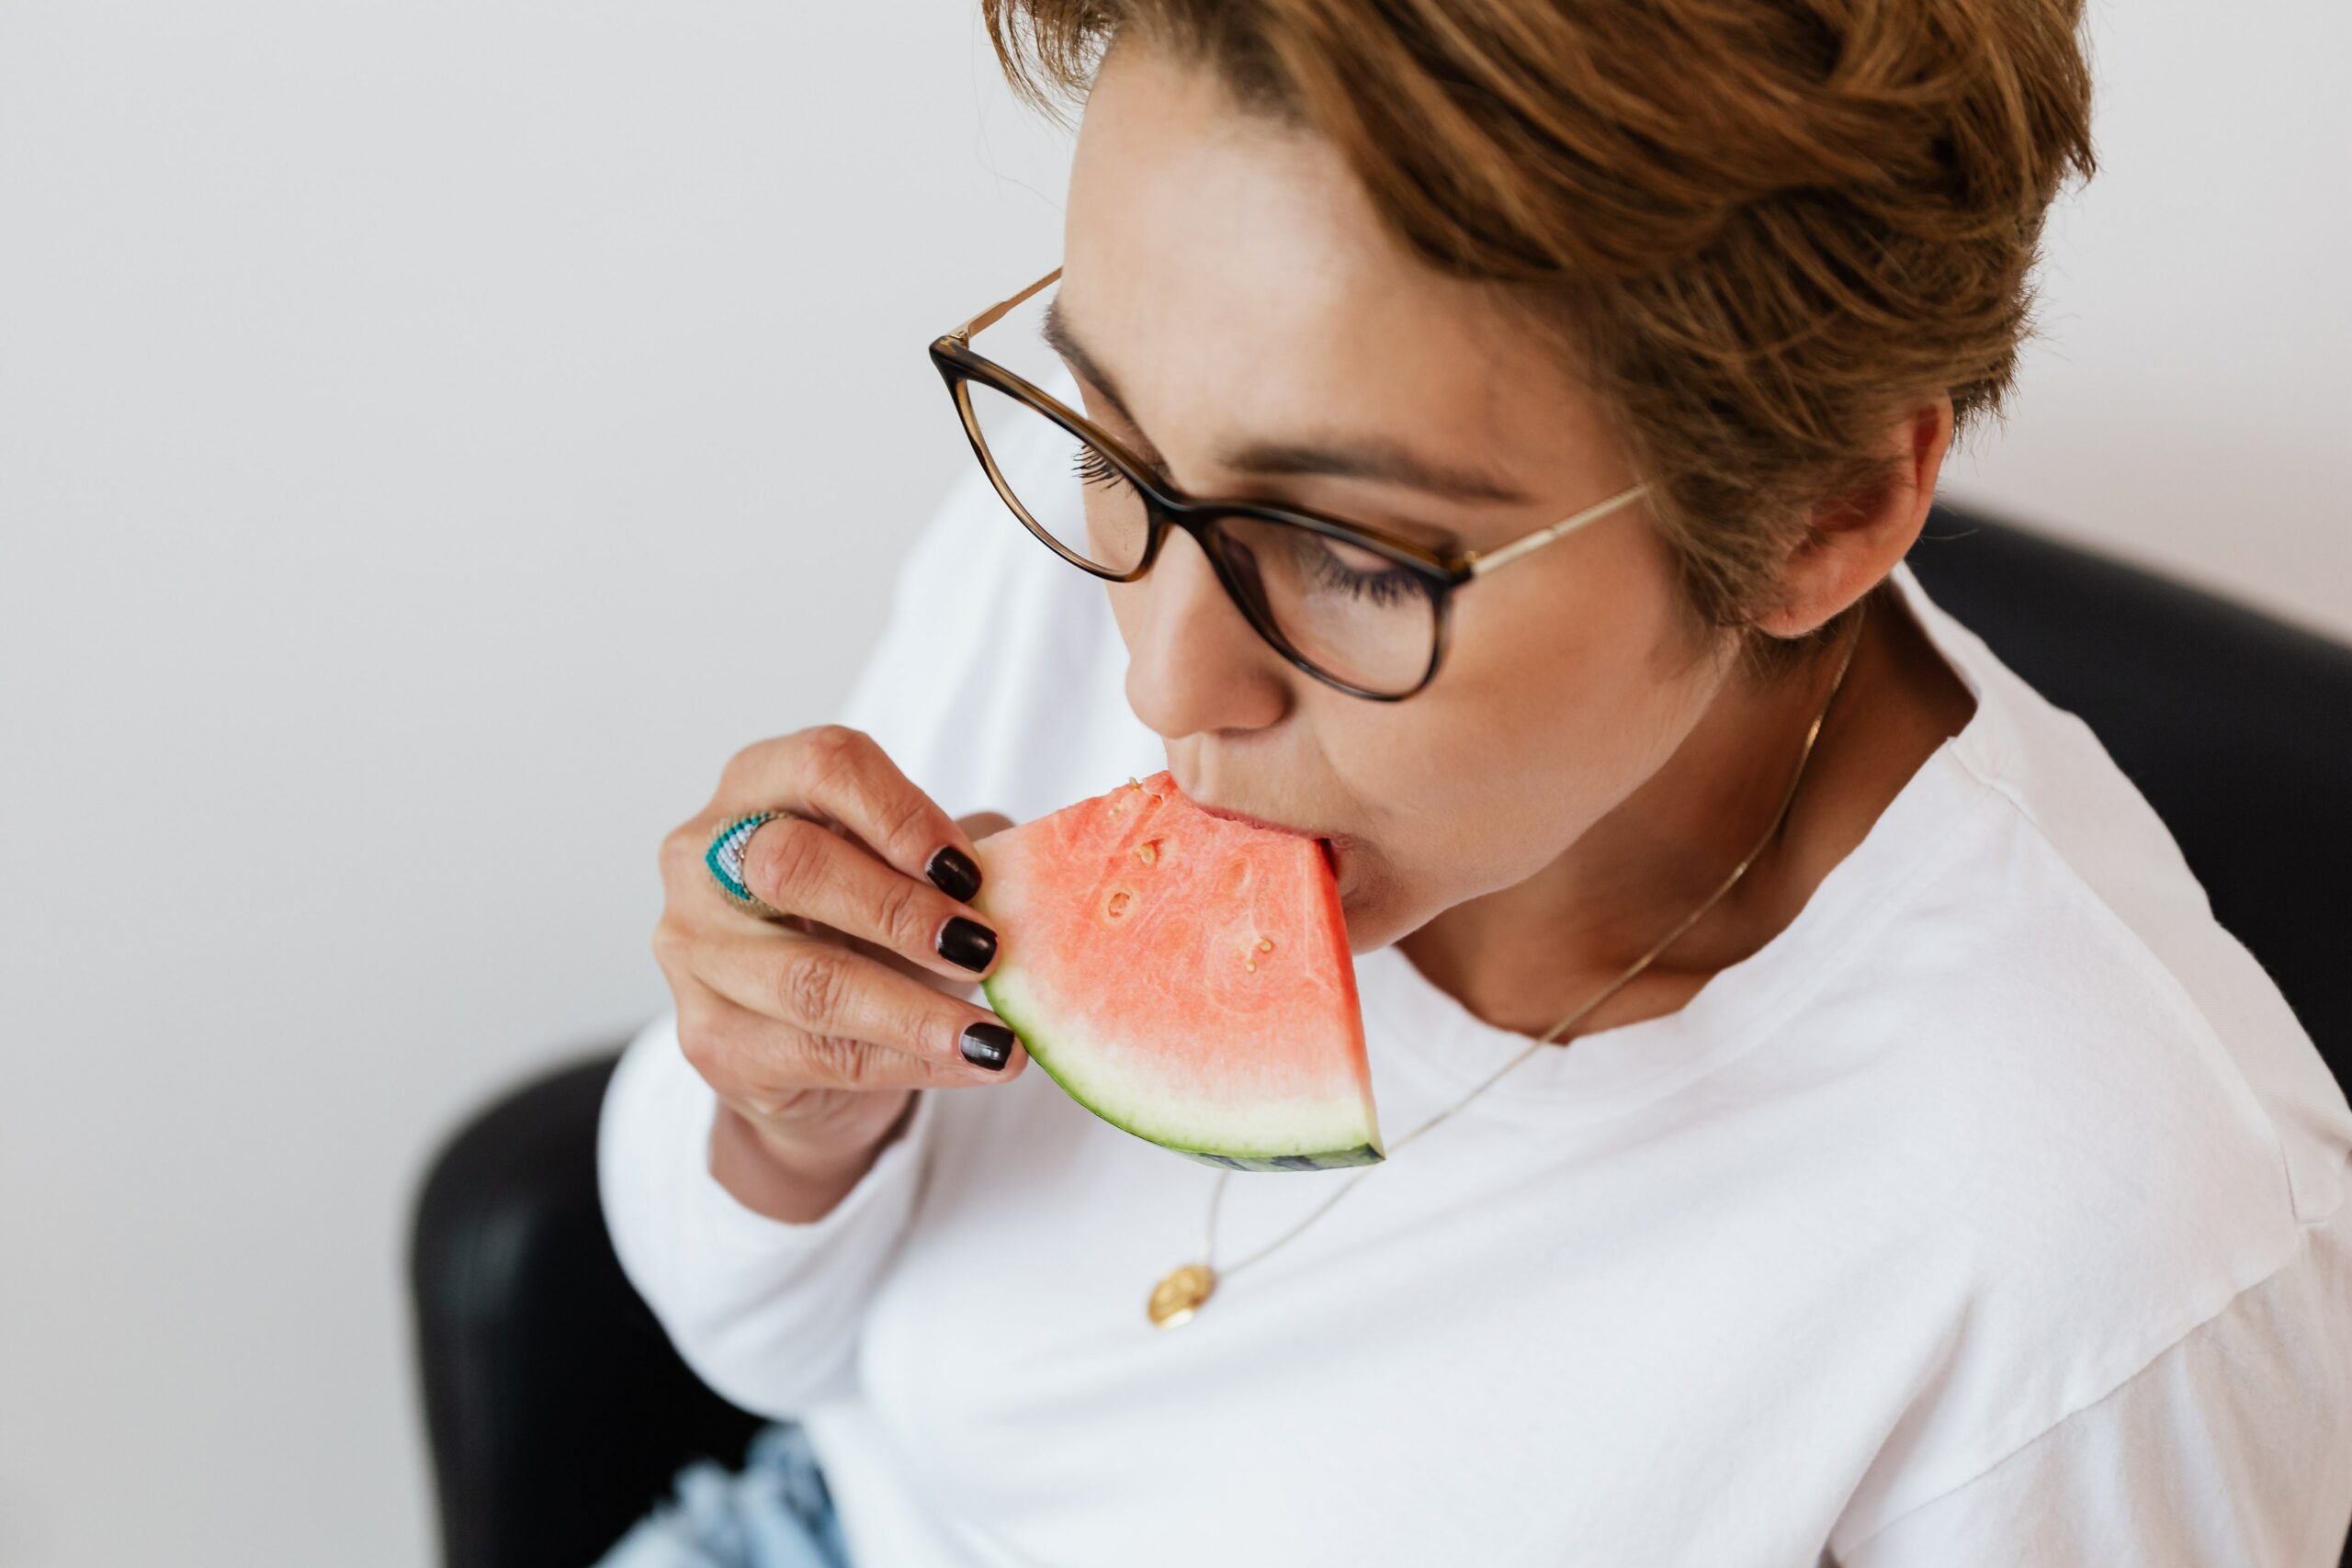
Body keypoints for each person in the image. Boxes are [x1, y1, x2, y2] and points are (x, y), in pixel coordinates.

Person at [594, 3, 2352, 1564]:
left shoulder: (2121, 1264)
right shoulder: (1081, 561)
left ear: (1822, 513)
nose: (1157, 676)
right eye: (1111, 438)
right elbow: (769, 1357)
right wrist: (790, 1115)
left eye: (1352, 557)